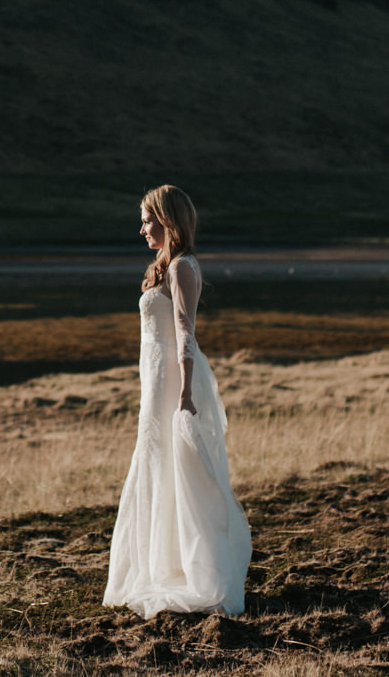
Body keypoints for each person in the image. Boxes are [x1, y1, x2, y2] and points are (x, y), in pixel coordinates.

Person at [102, 184, 252, 617]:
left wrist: (185, 395)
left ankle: (194, 569)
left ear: (169, 221)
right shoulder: (163, 266)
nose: (142, 228)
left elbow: (186, 333)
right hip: (156, 381)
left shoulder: (183, 266)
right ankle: (157, 563)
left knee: (178, 466)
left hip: (174, 382)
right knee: (155, 462)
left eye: (148, 220)